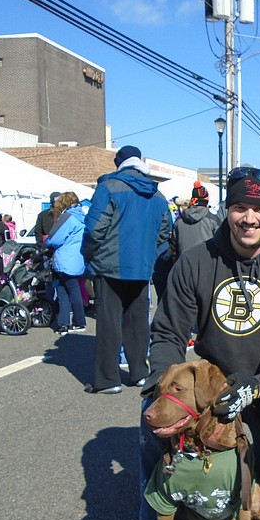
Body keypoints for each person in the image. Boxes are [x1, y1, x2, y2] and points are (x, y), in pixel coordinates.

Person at [124, 167, 260, 520]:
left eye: (259, 209)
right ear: (226, 210)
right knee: (151, 416)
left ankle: (243, 486)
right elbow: (166, 335)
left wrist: (259, 387)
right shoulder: (197, 262)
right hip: (211, 395)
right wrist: (169, 394)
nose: (248, 217)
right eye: (239, 207)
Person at [82, 145, 171, 394]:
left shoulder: (108, 187)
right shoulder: (158, 194)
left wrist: (89, 255)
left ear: (118, 163)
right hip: (141, 268)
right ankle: (140, 373)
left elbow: (94, 228)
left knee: (109, 323)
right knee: (138, 322)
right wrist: (149, 256)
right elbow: (166, 232)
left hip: (109, 265)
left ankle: (108, 380)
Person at [45, 192, 87, 336]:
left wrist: (47, 242)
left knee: (66, 291)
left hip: (65, 259)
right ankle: (70, 323)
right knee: (68, 290)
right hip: (78, 259)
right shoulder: (82, 216)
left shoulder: (67, 217)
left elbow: (54, 239)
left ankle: (71, 323)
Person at [169, 181, 220, 258]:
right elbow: (222, 244)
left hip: (183, 265)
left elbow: (173, 248)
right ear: (206, 202)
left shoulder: (179, 221)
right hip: (207, 265)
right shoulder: (213, 220)